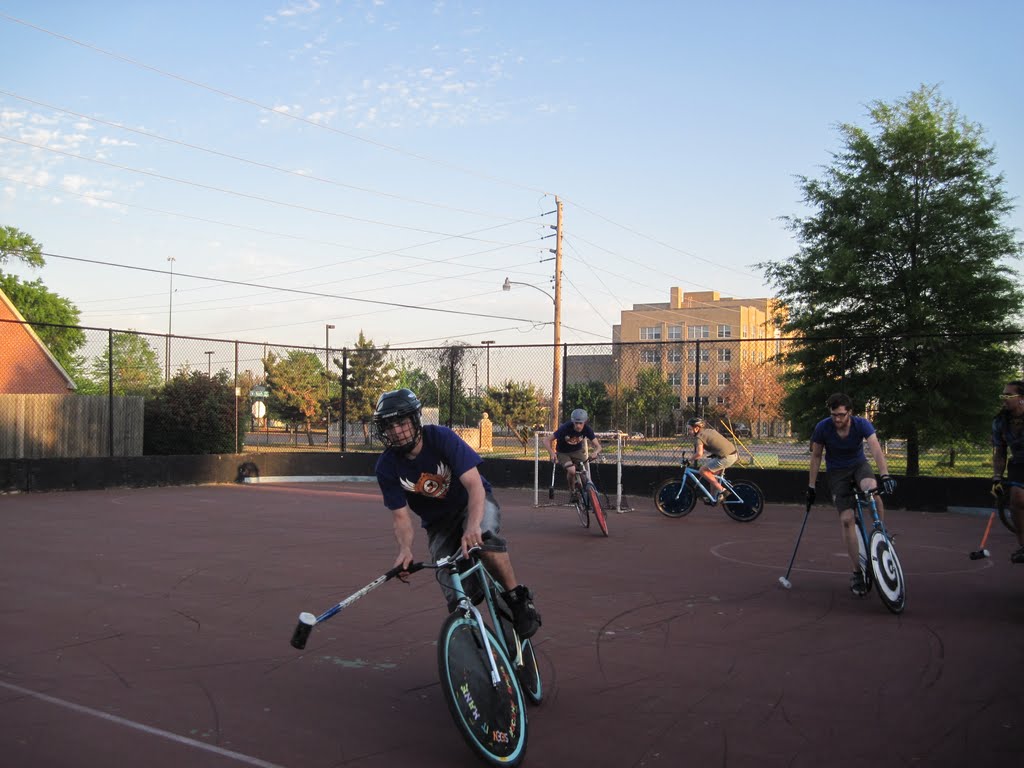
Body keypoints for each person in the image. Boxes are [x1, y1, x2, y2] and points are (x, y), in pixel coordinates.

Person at [373, 388, 541, 638]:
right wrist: (405, 550)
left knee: (482, 539)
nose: (396, 431)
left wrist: (472, 526)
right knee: (455, 590)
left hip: (472, 505)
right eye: (389, 426)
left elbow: (474, 485)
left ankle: (517, 596)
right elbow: (401, 518)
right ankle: (474, 647)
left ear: (415, 419)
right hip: (439, 525)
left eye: (401, 422)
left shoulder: (441, 438)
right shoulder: (386, 466)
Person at [806, 393, 896, 596]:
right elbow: (816, 456)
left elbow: (876, 450)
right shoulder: (823, 427)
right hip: (837, 472)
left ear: (850, 413)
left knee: (871, 488)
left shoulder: (861, 424)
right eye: (833, 415)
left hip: (858, 466)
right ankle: (857, 571)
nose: (837, 419)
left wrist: (886, 475)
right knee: (847, 520)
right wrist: (811, 487)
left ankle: (881, 531)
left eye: (841, 415)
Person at [991, 380, 1024, 563]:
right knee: (1016, 500)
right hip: (1019, 463)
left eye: (1008, 395)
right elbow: (1000, 451)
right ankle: (1023, 546)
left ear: (1021, 399)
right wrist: (997, 478)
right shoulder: (1000, 421)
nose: (1004, 398)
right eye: (1003, 394)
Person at [549, 408, 602, 499]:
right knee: (572, 470)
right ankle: (572, 491)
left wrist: (595, 452)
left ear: (584, 422)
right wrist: (552, 453)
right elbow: (546, 440)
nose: (578, 426)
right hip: (563, 452)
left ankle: (590, 498)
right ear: (572, 422)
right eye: (576, 423)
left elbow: (599, 446)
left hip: (577, 452)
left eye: (580, 423)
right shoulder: (564, 428)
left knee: (584, 474)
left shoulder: (587, 429)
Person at [686, 417, 738, 504]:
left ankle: (722, 490)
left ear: (696, 428)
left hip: (726, 457)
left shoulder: (699, 437)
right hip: (732, 454)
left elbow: (699, 454)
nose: (688, 432)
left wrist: (689, 460)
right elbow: (717, 442)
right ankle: (713, 497)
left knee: (703, 470)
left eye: (690, 429)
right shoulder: (709, 431)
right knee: (711, 474)